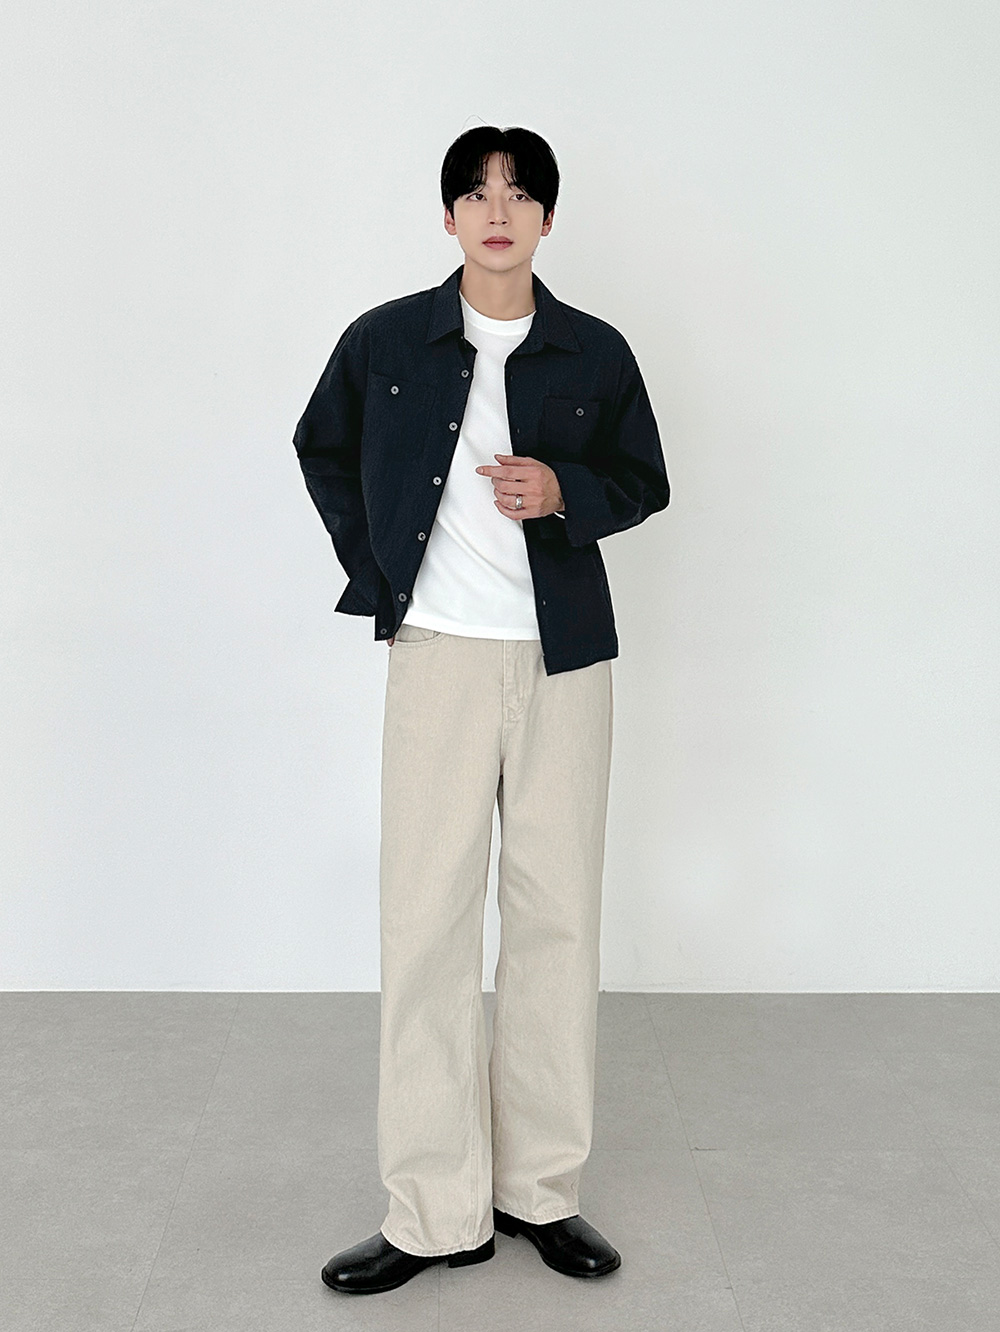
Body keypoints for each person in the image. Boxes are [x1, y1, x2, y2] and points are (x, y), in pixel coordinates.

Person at [292, 125, 670, 1296]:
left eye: (518, 195)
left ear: (548, 219)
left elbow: (644, 480)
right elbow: (320, 447)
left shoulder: (595, 350)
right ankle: (431, 1209)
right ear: (448, 216)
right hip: (440, 658)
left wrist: (564, 492)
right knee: (427, 925)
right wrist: (383, 577)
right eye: (474, 193)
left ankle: (540, 1192)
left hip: (565, 662)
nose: (496, 212)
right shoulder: (385, 340)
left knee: (558, 922)